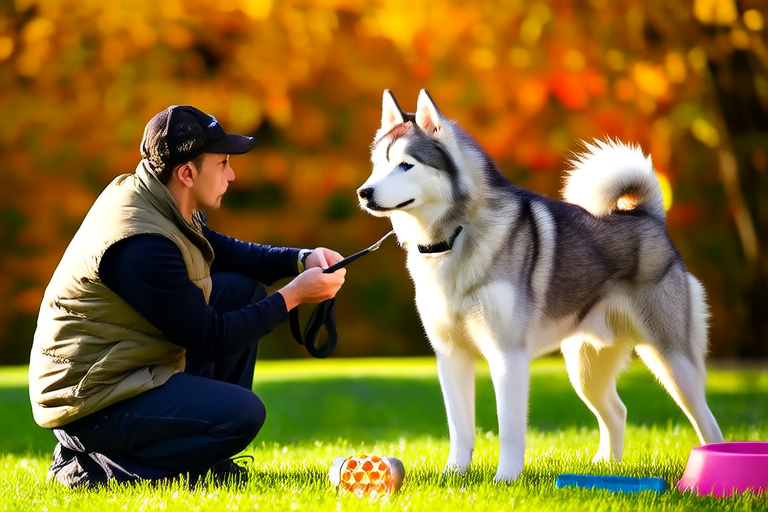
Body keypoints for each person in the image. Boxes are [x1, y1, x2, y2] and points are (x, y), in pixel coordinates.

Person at [28, 105, 347, 488]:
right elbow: (211, 339)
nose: (231, 175)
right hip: (92, 403)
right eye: (222, 164)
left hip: (128, 372)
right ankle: (90, 467)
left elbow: (222, 251)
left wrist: (300, 259)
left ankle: (203, 458)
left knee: (241, 290)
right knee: (243, 414)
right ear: (187, 173)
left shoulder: (160, 200)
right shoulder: (141, 245)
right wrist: (294, 296)